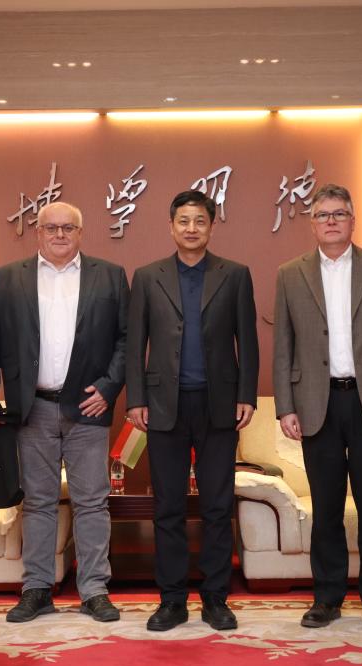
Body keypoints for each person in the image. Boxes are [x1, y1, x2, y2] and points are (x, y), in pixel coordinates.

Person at [0, 201, 129, 624]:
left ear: (81, 232)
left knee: (92, 503)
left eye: (68, 228)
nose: (59, 234)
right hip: (32, 407)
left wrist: (109, 388)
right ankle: (37, 589)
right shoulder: (8, 278)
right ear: (37, 232)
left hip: (88, 407)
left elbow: (127, 339)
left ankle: (94, 591)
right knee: (39, 502)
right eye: (51, 228)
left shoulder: (110, 276)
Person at [273, 183, 362, 631]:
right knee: (327, 508)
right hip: (316, 405)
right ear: (312, 224)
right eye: (323, 215)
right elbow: (283, 347)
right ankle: (327, 597)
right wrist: (286, 406)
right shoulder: (290, 274)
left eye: (339, 214)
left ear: (353, 221)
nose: (331, 221)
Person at [126, 189, 259, 632]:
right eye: (183, 220)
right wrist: (136, 399)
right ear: (171, 226)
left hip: (219, 405)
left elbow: (248, 341)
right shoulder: (148, 277)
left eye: (200, 221)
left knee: (218, 506)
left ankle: (216, 598)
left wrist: (246, 395)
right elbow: (135, 343)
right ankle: (172, 600)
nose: (191, 228)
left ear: (212, 227)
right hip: (164, 405)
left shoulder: (235, 275)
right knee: (168, 507)